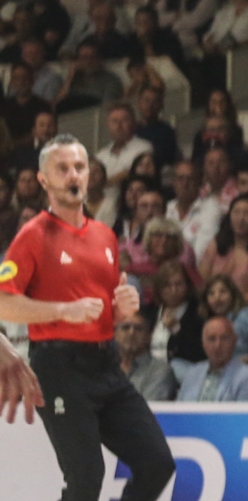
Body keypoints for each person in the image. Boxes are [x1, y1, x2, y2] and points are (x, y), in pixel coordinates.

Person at [0, 134, 175, 501]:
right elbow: (4, 301)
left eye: (79, 167)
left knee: (157, 464)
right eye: (62, 168)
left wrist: (121, 308)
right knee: (86, 478)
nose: (73, 175)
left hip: (106, 364)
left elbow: (104, 311)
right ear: (43, 179)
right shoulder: (33, 235)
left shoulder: (104, 236)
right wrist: (63, 310)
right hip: (59, 367)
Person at [176, 315, 248, 402]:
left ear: (234, 341)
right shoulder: (192, 374)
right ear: (203, 343)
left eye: (224, 339)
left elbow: (242, 415)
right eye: (212, 339)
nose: (217, 345)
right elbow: (178, 412)